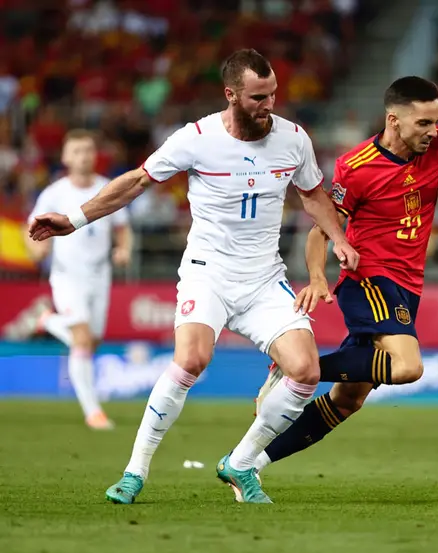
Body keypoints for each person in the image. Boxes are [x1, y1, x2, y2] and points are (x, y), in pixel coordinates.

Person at [28, 49, 359, 504]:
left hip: (264, 278)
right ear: (232, 94)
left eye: (274, 94)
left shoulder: (294, 139)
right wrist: (74, 219)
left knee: (305, 371)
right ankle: (135, 471)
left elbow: (314, 196)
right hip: (209, 273)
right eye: (259, 97)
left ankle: (240, 464)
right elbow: (138, 181)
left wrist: (337, 237)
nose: (269, 105)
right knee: (190, 361)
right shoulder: (196, 138)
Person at [249, 76, 438, 474]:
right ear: (394, 121)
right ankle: (302, 367)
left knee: (347, 400)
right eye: (423, 124)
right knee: (408, 367)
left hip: (407, 286)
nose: (433, 132)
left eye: (436, 121)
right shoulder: (357, 167)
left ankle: (250, 463)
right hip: (368, 280)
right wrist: (316, 277)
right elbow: (321, 229)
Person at [24, 129, 132, 431]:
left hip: (100, 275)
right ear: (65, 157)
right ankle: (93, 412)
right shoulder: (55, 192)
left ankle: (48, 321)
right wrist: (36, 247)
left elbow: (122, 227)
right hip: (67, 275)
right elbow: (30, 227)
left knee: (91, 341)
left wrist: (123, 248)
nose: (83, 156)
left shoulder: (106, 188)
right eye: (77, 151)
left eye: (88, 150)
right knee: (82, 340)